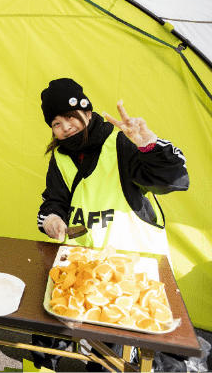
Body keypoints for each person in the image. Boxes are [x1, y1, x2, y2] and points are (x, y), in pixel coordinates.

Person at [29, 78, 189, 371]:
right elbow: (54, 200)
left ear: (87, 113)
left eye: (70, 117)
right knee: (44, 334)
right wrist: (52, 219)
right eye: (56, 123)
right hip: (80, 266)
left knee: (110, 357)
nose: (65, 128)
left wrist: (147, 145)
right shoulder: (61, 157)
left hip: (130, 270)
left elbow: (172, 180)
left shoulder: (120, 142)